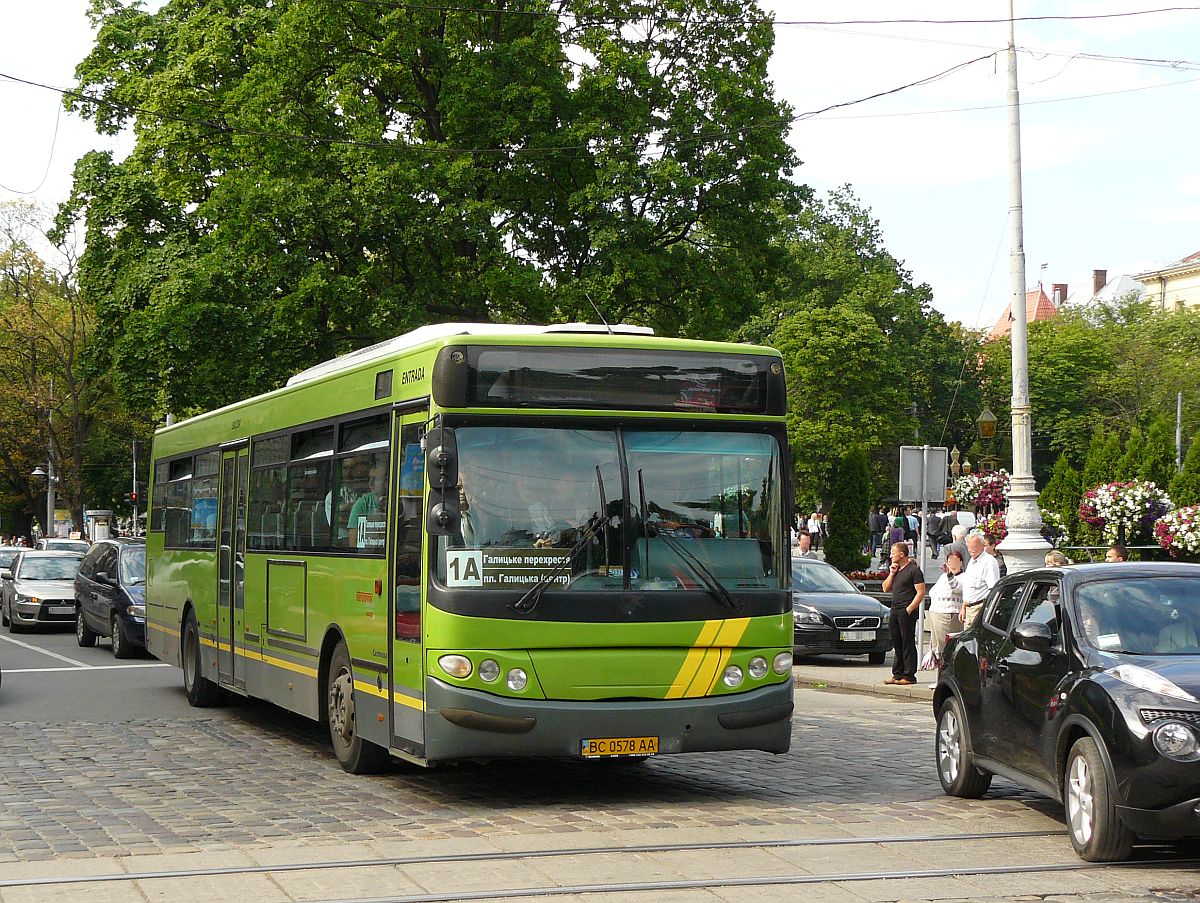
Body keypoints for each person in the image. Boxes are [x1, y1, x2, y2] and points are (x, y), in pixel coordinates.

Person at [881, 541, 926, 686]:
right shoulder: (897, 570)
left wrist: (910, 608)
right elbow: (885, 588)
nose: (891, 555)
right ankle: (897, 673)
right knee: (897, 642)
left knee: (907, 642)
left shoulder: (914, 570)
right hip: (894, 609)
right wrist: (891, 573)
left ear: (902, 554)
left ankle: (909, 675)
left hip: (906, 610)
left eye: (893, 553)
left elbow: (920, 592)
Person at [927, 550, 965, 668]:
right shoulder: (943, 577)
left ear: (961, 563)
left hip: (951, 615)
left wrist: (950, 575)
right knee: (938, 649)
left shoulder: (964, 577)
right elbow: (933, 592)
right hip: (936, 613)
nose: (951, 564)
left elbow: (957, 589)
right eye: (949, 562)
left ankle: (947, 675)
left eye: (954, 561)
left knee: (948, 648)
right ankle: (939, 677)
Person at [960, 531, 1000, 629]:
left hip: (979, 608)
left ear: (982, 545)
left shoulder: (989, 562)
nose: (971, 550)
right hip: (968, 609)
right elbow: (968, 587)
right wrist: (963, 607)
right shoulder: (972, 560)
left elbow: (994, 589)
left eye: (974, 546)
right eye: (969, 547)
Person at [346, 457, 388, 549]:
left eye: (376, 479)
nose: (371, 483)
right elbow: (353, 544)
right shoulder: (362, 504)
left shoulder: (398, 502)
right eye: (370, 478)